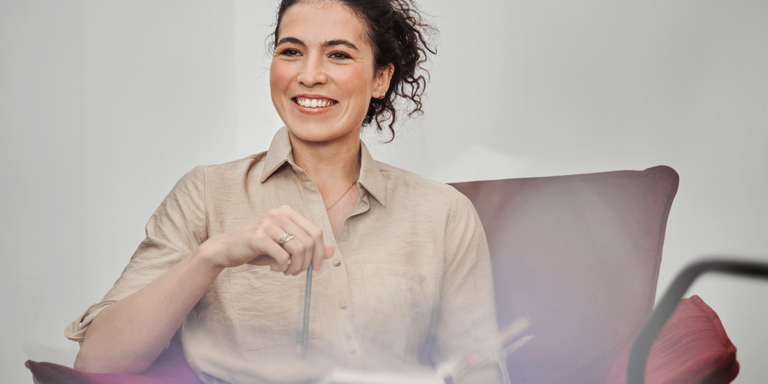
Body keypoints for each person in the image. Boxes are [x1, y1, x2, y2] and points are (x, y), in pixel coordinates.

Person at [66, 0, 506, 382]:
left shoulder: (443, 213)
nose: (310, 75)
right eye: (291, 51)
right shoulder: (205, 193)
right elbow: (97, 361)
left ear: (380, 78)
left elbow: (476, 367)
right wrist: (214, 255)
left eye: (338, 54)